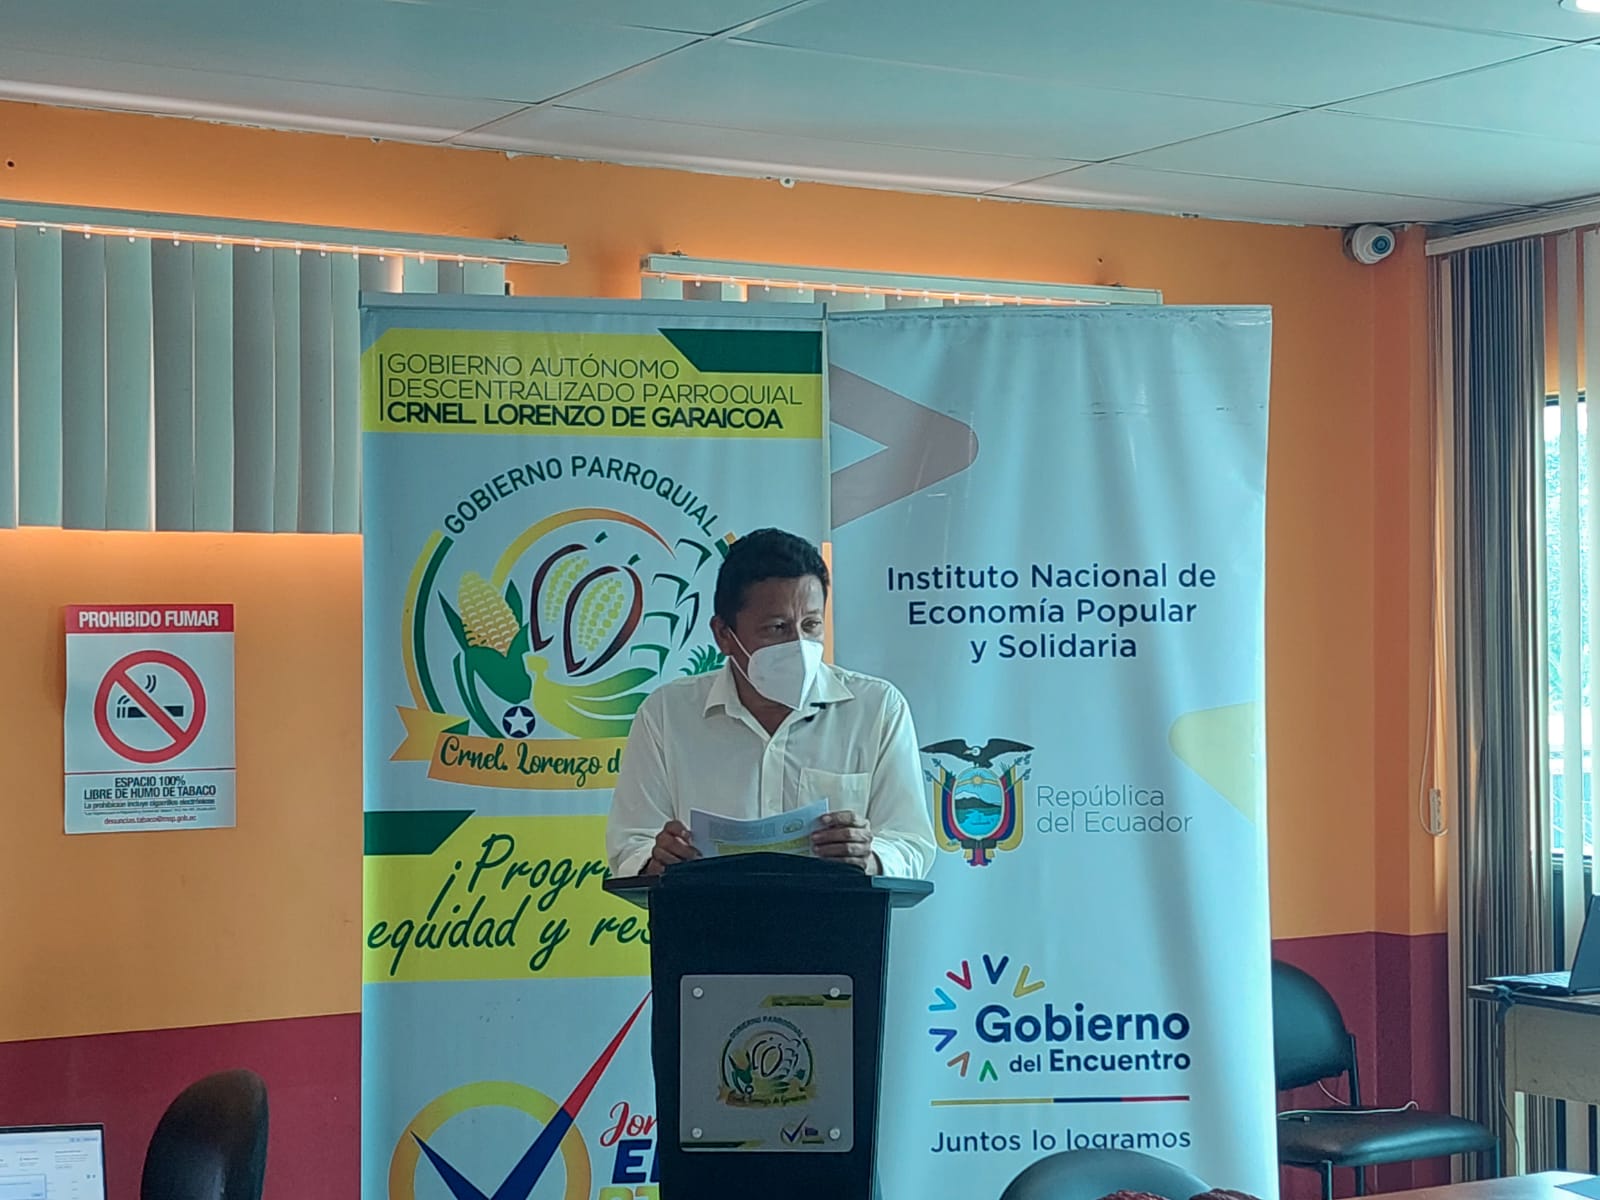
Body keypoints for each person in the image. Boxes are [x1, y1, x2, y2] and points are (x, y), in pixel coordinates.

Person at [606, 528, 935, 879]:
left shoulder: (876, 709)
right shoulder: (666, 715)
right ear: (723, 634)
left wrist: (869, 857)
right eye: (777, 628)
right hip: (708, 915)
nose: (799, 645)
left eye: (811, 625)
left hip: (837, 914)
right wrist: (656, 861)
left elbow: (910, 843)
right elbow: (631, 845)